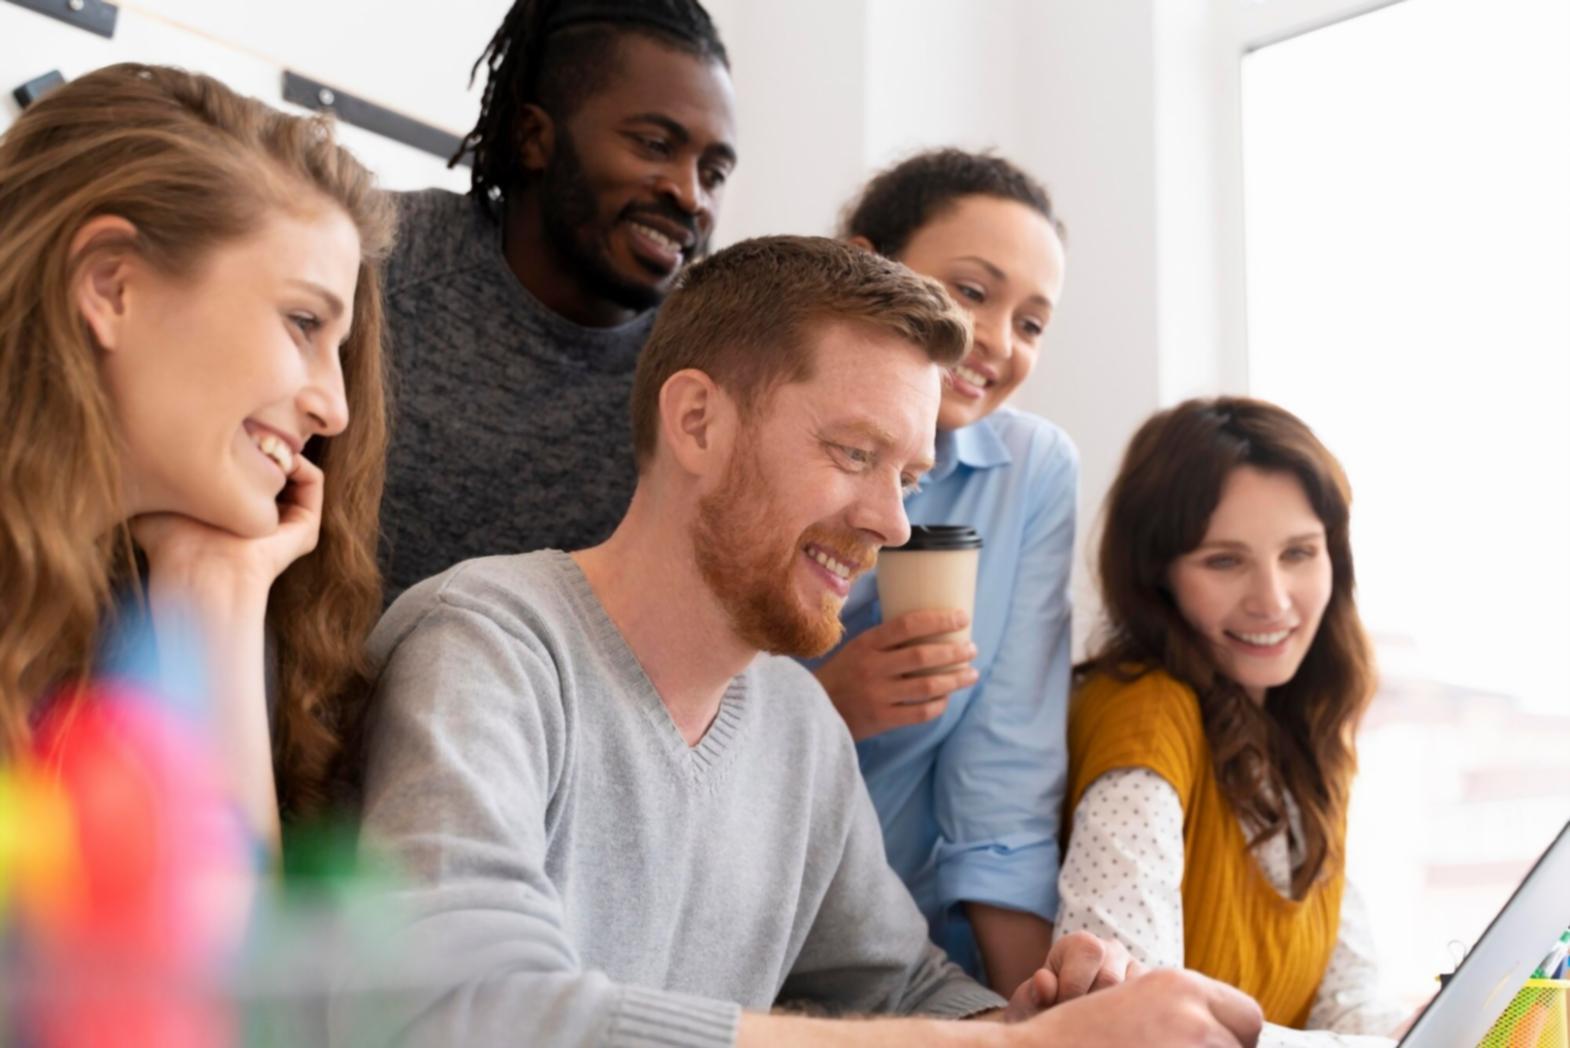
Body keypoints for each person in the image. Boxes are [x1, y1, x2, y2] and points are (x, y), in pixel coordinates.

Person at [356, 237, 1263, 1047]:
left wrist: (1033, 1021)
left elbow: (904, 988)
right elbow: (465, 1010)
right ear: (698, 421)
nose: (894, 524)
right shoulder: (484, 645)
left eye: (909, 478)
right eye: (856, 454)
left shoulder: (797, 722)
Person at [0, 63, 395, 842]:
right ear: (110, 285)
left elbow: (218, 925)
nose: (335, 408)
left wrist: (218, 591)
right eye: (303, 323)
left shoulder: (140, 616)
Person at [805, 149, 1075, 993]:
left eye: (1031, 324)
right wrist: (821, 707)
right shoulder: (771, 429)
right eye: (971, 290)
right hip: (750, 920)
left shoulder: (1030, 471)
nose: (997, 340)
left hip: (924, 954)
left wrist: (1034, 1018)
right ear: (863, 265)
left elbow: (1006, 770)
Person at [1056, 397, 1405, 1044]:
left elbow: (1344, 1002)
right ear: (1157, 578)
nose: (1272, 600)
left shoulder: (1305, 727)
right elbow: (1130, 1026)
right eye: (1224, 561)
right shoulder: (1146, 714)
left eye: (1299, 553)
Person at [379, 0, 738, 600]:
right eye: (654, 144)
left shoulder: (705, 372)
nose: (691, 195)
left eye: (714, 173)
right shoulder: (380, 262)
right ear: (532, 138)